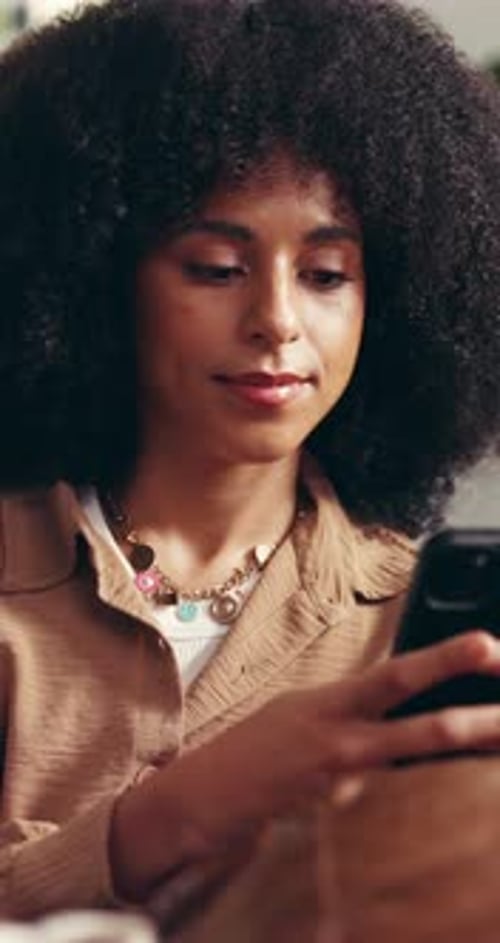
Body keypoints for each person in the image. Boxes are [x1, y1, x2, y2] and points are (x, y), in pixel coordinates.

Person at [2, 0, 500, 930]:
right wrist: (161, 821)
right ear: (97, 281)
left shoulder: (413, 628)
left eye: (325, 275)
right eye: (216, 267)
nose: (277, 320)